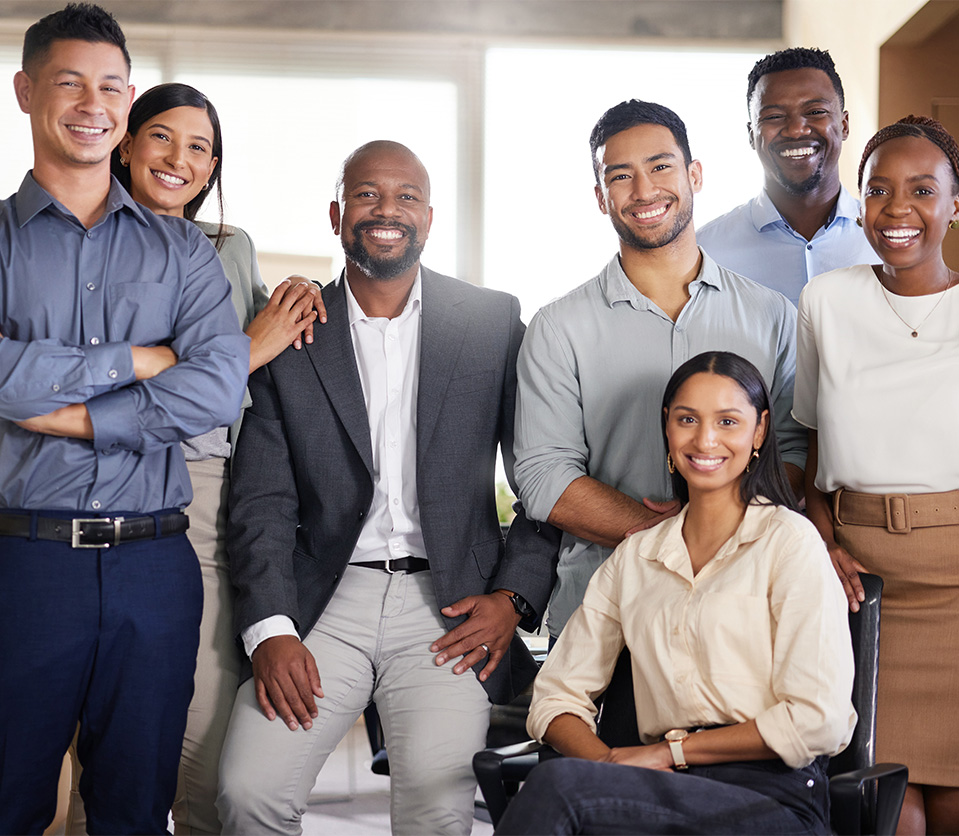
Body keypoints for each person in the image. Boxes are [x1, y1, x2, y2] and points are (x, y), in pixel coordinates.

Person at [216, 140, 558, 835]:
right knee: (248, 792)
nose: (387, 210)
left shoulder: (489, 323)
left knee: (436, 810)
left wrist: (512, 597)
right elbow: (262, 503)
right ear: (338, 213)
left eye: (405, 196)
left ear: (428, 218)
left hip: (449, 610)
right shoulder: (292, 332)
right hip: (324, 604)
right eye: (367, 194)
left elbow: (544, 474)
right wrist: (270, 629)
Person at [0, 5, 249, 835]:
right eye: (68, 82)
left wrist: (69, 416)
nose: (90, 102)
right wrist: (135, 361)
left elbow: (217, 390)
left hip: (155, 564)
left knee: (137, 811)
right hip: (22, 562)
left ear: (127, 98)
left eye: (109, 85)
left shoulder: (185, 254)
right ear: (26, 91)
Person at [60, 82, 325, 836]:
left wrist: (300, 299)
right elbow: (96, 383)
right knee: (109, 764)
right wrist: (244, 350)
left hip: (209, 503)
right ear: (124, 144)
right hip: (109, 490)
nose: (179, 160)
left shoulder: (227, 246)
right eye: (161, 138)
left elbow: (265, 347)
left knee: (207, 753)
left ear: (213, 168)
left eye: (200, 147)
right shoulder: (80, 246)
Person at [498, 351, 856, 836]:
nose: (705, 439)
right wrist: (607, 762)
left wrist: (671, 752)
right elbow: (556, 697)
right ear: (667, 428)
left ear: (759, 431)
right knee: (560, 783)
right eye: (687, 419)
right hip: (658, 787)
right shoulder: (637, 557)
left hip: (771, 796)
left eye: (728, 421)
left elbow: (818, 720)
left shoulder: (789, 542)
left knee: (557, 789)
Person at [513, 99, 805, 643]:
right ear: (601, 198)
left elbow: (794, 453)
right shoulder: (557, 328)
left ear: (694, 174)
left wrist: (720, 525)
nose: (644, 191)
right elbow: (542, 477)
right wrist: (672, 531)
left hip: (743, 611)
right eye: (620, 176)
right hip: (601, 614)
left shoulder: (773, 316)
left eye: (661, 166)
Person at [794, 115, 959, 835]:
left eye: (922, 189)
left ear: (955, 202)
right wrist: (817, 540)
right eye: (877, 191)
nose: (897, 210)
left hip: (957, 589)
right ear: (856, 203)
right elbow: (802, 443)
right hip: (860, 589)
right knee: (884, 815)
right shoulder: (825, 301)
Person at [698, 47, 876, 307]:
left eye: (815, 112)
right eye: (774, 116)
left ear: (844, 125)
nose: (795, 130)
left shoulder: (885, 240)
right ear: (751, 135)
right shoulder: (706, 253)